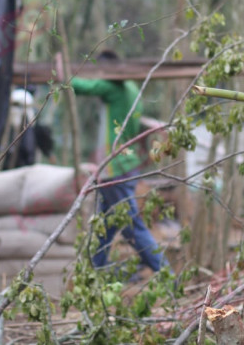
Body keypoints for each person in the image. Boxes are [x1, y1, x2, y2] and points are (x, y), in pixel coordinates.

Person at [60, 50, 168, 275]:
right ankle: (93, 278)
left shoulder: (112, 87)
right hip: (125, 165)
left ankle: (167, 275)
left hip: (115, 167)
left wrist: (60, 65)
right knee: (106, 228)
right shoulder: (131, 88)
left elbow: (76, 86)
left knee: (132, 228)